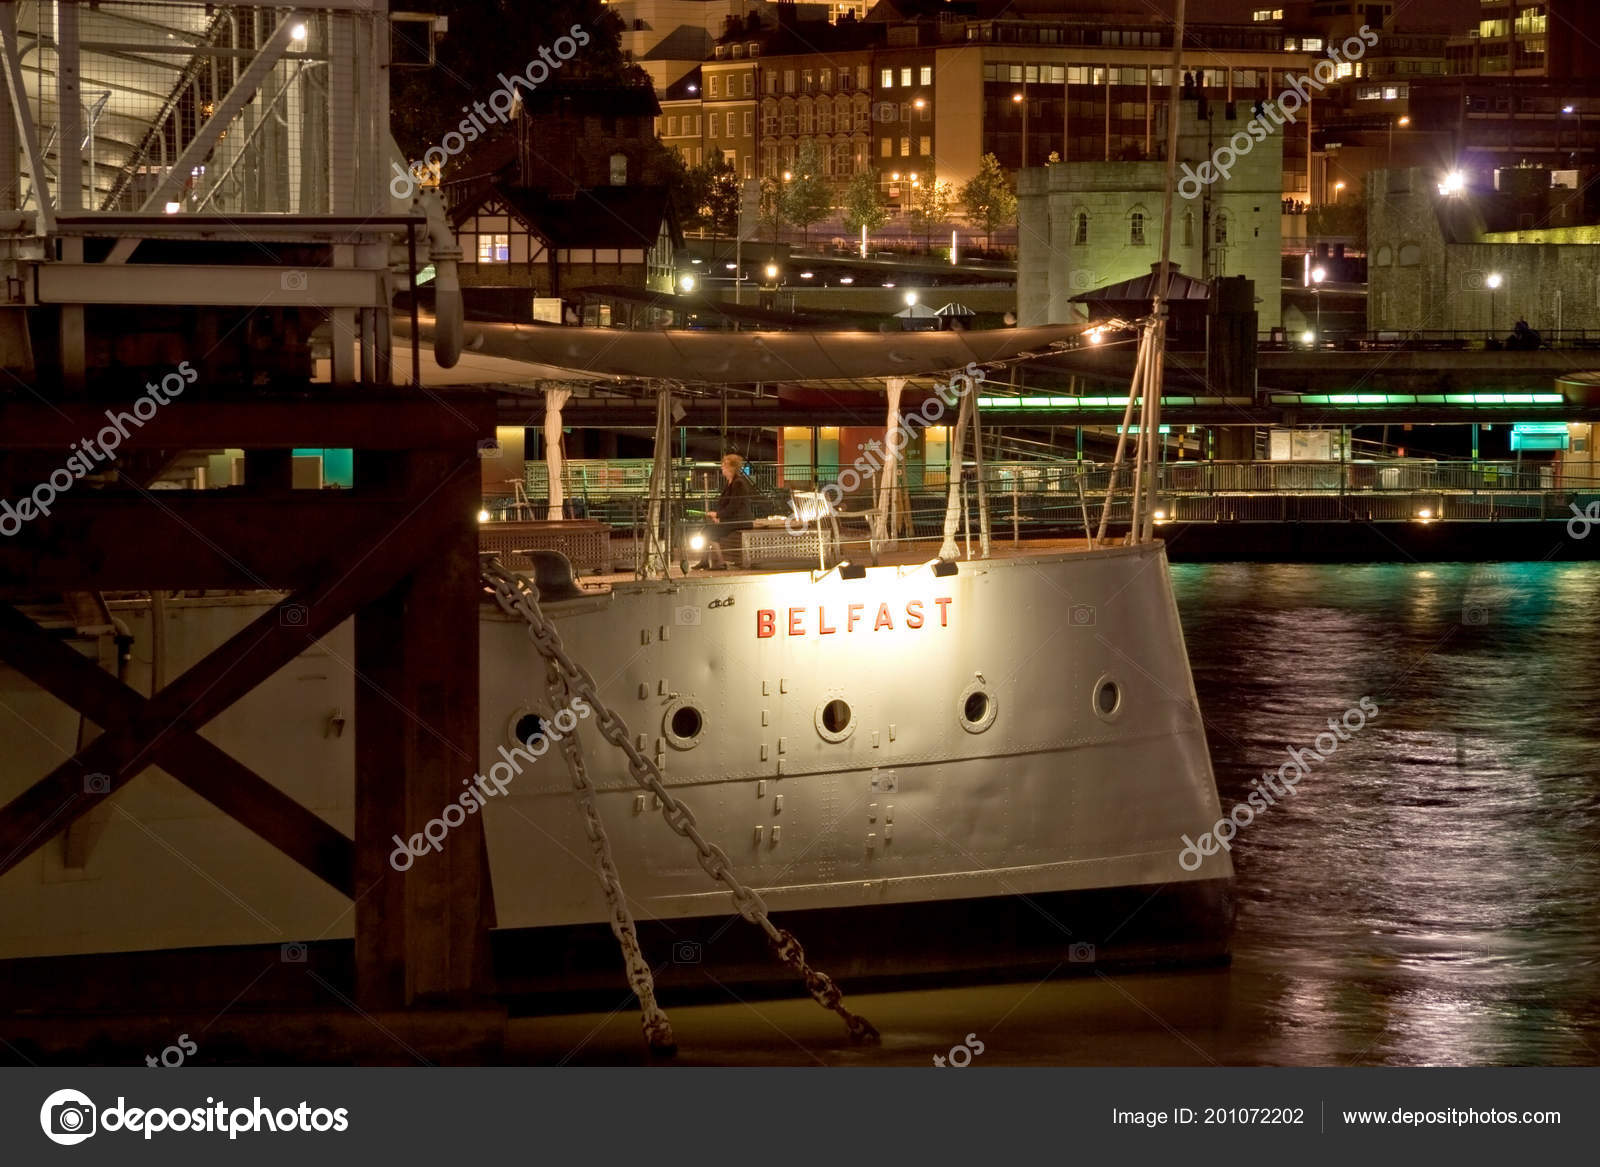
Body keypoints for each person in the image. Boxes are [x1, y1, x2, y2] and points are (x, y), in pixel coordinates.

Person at [697, 453, 754, 569]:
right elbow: (726, 504)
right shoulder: (730, 482)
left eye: (724, 465)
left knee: (709, 532)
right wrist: (717, 515)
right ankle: (704, 560)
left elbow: (734, 506)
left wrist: (718, 515)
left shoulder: (738, 483)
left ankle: (720, 562)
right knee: (706, 529)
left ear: (732, 468)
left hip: (740, 519)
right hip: (733, 518)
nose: (722, 467)